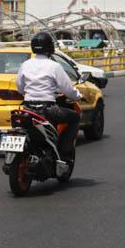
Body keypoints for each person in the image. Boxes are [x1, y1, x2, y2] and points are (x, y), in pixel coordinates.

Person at [15, 32, 81, 177]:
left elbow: (19, 87)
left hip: (27, 109)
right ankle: (64, 152)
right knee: (75, 117)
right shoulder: (54, 66)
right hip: (48, 110)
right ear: (50, 47)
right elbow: (68, 89)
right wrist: (77, 96)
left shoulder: (25, 65)